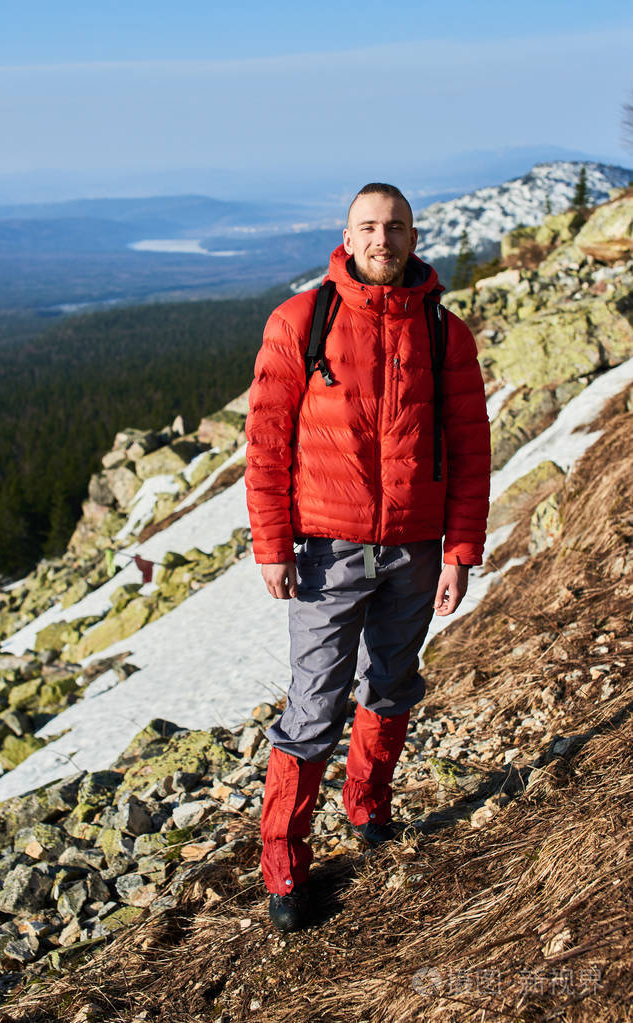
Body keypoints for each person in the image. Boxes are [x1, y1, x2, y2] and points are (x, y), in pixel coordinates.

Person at [245, 182, 491, 931]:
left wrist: (460, 550)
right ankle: (285, 861)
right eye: (369, 227)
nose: (382, 239)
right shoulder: (300, 320)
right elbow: (265, 442)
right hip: (324, 547)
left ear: (414, 237)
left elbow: (470, 448)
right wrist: (271, 543)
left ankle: (367, 809)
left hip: (415, 550)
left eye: (395, 227)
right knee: (313, 705)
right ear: (346, 237)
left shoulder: (446, 333)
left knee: (391, 684)